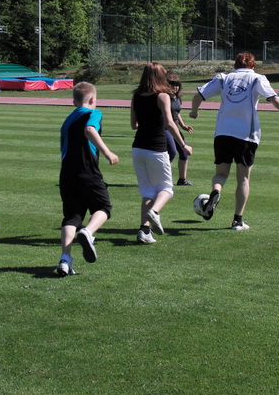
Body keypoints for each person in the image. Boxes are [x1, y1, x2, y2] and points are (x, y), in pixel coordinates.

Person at [188, 52, 279, 230]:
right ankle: (237, 220)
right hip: (246, 135)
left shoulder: (223, 78)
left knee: (220, 173)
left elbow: (198, 96)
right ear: (253, 66)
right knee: (243, 178)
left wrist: (194, 112)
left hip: (222, 133)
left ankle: (216, 191)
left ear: (235, 65)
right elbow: (273, 98)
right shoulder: (257, 78)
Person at [56, 82, 119, 277]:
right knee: (104, 208)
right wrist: (107, 152)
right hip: (87, 171)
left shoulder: (67, 120)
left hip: (67, 173)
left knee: (72, 217)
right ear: (92, 99)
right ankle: (88, 232)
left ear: (73, 101)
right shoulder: (93, 113)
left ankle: (65, 259)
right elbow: (90, 130)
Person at [130, 63, 192, 244]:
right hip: (156, 148)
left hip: (138, 148)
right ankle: (154, 212)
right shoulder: (162, 96)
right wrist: (183, 146)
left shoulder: (136, 96)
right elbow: (169, 124)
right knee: (166, 189)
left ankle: (144, 231)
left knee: (148, 192)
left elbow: (134, 125)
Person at [165, 73, 194, 186]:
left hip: (175, 128)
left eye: (177, 85)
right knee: (171, 152)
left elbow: (177, 113)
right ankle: (160, 176)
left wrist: (183, 126)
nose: (175, 88)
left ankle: (182, 180)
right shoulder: (165, 97)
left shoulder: (177, 98)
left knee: (184, 153)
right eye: (172, 85)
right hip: (166, 128)